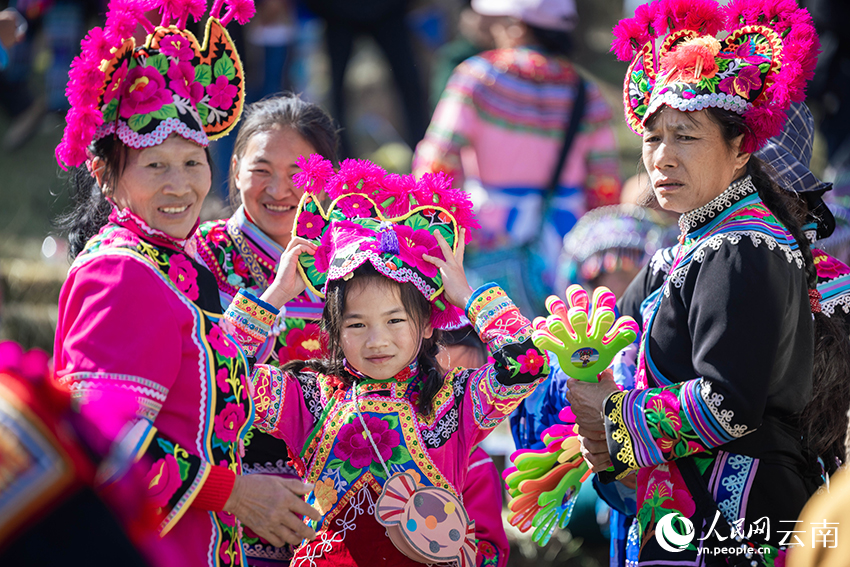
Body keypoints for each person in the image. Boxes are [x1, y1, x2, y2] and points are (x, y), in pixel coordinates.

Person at [562, 0, 850, 564]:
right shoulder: (690, 247)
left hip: (736, 514)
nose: (663, 158)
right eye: (652, 138)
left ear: (741, 149)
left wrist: (614, 422)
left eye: (687, 137)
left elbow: (727, 403)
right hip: (693, 508)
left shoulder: (743, 247)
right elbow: (610, 333)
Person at [53, 2, 322, 565]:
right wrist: (237, 494)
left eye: (192, 162)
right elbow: (105, 437)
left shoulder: (172, 261)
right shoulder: (120, 271)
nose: (180, 186)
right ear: (106, 176)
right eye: (155, 166)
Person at [241, 156, 550, 565]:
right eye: (356, 324)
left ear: (427, 324)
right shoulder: (308, 396)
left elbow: (529, 365)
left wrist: (467, 296)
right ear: (333, 330)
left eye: (394, 320)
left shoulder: (453, 402)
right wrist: (276, 294)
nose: (377, 341)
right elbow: (216, 377)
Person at [193, 93, 335, 566]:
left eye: (298, 173)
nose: (279, 190)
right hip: (236, 509)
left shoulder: (351, 261)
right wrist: (272, 298)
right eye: (261, 169)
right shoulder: (200, 257)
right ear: (235, 170)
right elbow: (203, 378)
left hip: (342, 506)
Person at [413, 0, 621, 314]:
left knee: (495, 332)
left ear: (517, 27)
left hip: (491, 240)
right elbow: (605, 183)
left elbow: (438, 162)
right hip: (567, 245)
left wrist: (438, 227)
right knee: (561, 336)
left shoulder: (478, 77)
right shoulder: (585, 91)